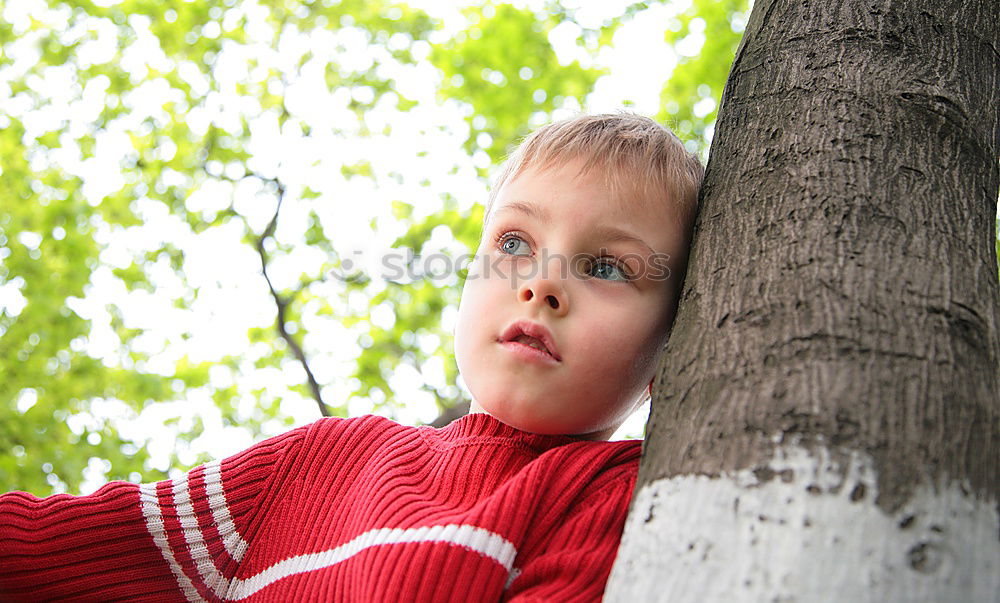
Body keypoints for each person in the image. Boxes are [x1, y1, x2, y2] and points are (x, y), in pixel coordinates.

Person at [0, 113, 704, 602]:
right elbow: (46, 553)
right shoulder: (316, 463)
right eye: (514, 242)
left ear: (666, 352)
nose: (541, 283)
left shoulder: (615, 496)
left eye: (608, 267)